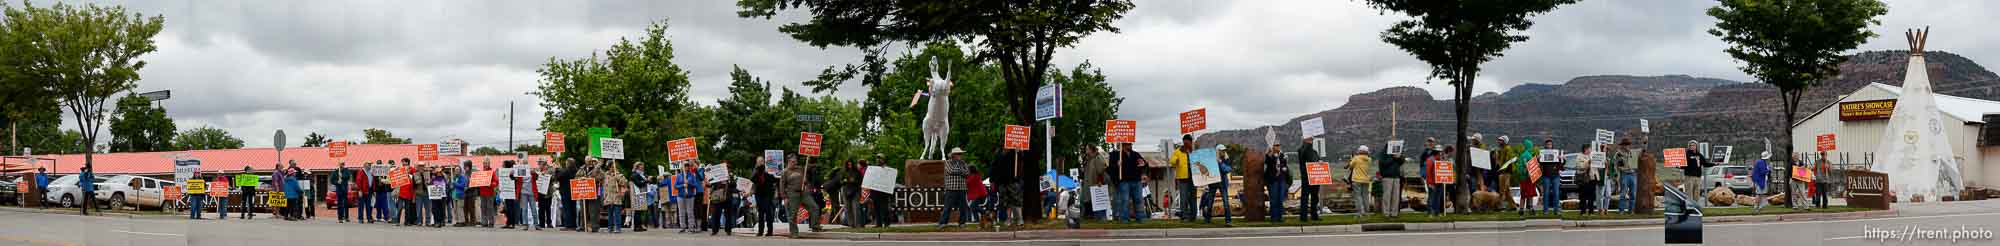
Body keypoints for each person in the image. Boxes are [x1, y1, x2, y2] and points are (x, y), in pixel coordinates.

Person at [1111, 143, 1147, 224]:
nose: (1130, 146)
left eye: (1131, 144)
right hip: (1124, 181)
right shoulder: (1116, 155)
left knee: (1138, 199)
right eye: (1128, 144)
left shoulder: (1135, 154)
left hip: (1136, 180)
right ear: (1123, 145)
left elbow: (1144, 164)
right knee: (1125, 200)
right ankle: (1124, 219)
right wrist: (1117, 165)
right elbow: (1110, 168)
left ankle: (1140, 218)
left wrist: (1143, 164)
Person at [1202, 144, 1235, 224]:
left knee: (1225, 201)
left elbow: (1227, 169)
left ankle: (1228, 220)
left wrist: (1220, 162)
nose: (1223, 152)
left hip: (1222, 183)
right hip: (1213, 183)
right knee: (1210, 201)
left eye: (1224, 150)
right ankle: (1208, 219)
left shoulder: (1225, 159)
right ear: (1218, 151)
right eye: (1222, 150)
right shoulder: (1211, 159)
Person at [937, 149, 969, 229]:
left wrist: (961, 171)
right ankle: (943, 223)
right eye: (958, 154)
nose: (960, 155)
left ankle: (962, 223)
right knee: (947, 206)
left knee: (963, 207)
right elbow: (951, 171)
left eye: (961, 154)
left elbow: (967, 173)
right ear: (953, 155)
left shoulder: (963, 163)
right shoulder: (948, 162)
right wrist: (962, 171)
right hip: (951, 188)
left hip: (962, 188)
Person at [990, 148, 1023, 227]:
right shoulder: (998, 154)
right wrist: (992, 180)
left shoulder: (1015, 153)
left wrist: (1019, 153)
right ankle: (1008, 219)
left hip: (1013, 180)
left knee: (1016, 200)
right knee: (1006, 202)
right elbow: (993, 167)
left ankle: (1019, 219)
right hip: (1002, 181)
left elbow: (1021, 161)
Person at [1170, 135, 1198, 222]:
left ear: (1191, 142)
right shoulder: (1178, 152)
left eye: (1188, 142)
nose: (1186, 143)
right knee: (1184, 198)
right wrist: (1176, 161)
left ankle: (1193, 216)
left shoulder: (1194, 152)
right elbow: (1172, 161)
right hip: (1183, 178)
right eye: (1185, 142)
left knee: (1193, 198)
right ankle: (1184, 216)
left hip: (1194, 178)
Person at [600, 161, 631, 234]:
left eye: (613, 166)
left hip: (616, 197)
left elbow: (625, 183)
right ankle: (610, 228)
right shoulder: (605, 175)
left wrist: (618, 178)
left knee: (617, 214)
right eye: (610, 167)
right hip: (608, 197)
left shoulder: (619, 175)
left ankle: (618, 228)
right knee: (610, 214)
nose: (612, 168)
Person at [1295, 138, 1322, 221]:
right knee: (1305, 197)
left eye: (1311, 139)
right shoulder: (1301, 150)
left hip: (1315, 177)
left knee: (1315, 197)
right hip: (1306, 177)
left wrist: (1320, 162)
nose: (1311, 140)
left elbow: (1316, 160)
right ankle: (1303, 217)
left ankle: (1314, 215)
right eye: (1309, 139)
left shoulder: (1315, 152)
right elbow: (1304, 153)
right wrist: (1307, 144)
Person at [751, 158, 779, 236]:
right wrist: (757, 169)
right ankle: (760, 231)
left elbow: (775, 180)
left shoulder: (769, 171)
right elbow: (752, 179)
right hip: (759, 195)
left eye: (761, 161)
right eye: (758, 162)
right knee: (760, 213)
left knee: (768, 213)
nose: (760, 163)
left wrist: (773, 173)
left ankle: (770, 231)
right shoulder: (756, 171)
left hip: (767, 195)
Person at [1262, 144, 1289, 222]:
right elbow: (1267, 162)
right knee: (1273, 199)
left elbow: (1285, 165)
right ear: (1272, 146)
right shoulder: (1269, 155)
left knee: (1280, 199)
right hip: (1273, 180)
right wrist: (1269, 154)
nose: (1277, 147)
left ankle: (1280, 217)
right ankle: (1274, 217)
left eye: (1278, 145)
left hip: (1281, 179)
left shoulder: (1283, 155)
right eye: (1275, 145)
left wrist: (1285, 169)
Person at [1378, 143, 1405, 217]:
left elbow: (1402, 162)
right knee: (1387, 195)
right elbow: (1383, 163)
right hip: (1387, 177)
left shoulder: (1397, 153)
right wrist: (1393, 158)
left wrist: (1399, 157)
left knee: (1395, 196)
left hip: (1396, 176)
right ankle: (1386, 212)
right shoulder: (1383, 153)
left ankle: (1394, 212)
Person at [1681, 140, 1709, 208]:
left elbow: (1705, 163)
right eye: (1691, 145)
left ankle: (1696, 206)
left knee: (1696, 193)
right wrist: (1677, 165)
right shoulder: (1686, 154)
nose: (1692, 147)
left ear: (1696, 146)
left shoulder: (1699, 155)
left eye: (1694, 145)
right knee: (1689, 192)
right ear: (1689, 147)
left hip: (1697, 177)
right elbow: (1682, 165)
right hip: (1689, 177)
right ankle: (1689, 206)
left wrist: (1715, 164)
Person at [1349, 146, 1374, 218]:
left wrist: (1352, 159)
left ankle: (1359, 213)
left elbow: (1351, 166)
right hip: (1366, 180)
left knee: (1358, 197)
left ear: (1359, 151)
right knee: (1365, 196)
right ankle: (1366, 212)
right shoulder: (1369, 159)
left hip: (1357, 180)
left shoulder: (1356, 158)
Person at [1539, 140, 1562, 215]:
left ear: (1552, 145)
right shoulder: (1543, 154)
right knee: (1546, 193)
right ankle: (1545, 210)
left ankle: (1556, 210)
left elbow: (1562, 163)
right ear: (1545, 145)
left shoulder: (1556, 153)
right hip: (1546, 176)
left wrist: (1561, 158)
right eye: (1548, 144)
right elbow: (1539, 163)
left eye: (1550, 144)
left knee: (1556, 193)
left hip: (1555, 176)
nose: (1549, 146)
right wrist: (1538, 158)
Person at [479, 160, 499, 227]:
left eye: (486, 163)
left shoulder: (492, 172)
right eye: (484, 163)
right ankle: (484, 222)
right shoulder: (481, 172)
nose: (485, 164)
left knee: (490, 208)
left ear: (489, 164)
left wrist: (491, 184)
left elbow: (496, 182)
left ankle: (491, 222)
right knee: (483, 208)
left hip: (490, 193)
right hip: (482, 193)